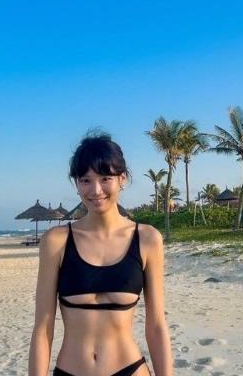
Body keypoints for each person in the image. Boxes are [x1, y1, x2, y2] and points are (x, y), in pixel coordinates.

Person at [29, 134, 173, 376]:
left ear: (122, 179)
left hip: (130, 369)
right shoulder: (56, 241)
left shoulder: (147, 239)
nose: (96, 190)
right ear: (76, 183)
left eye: (105, 178)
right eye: (86, 180)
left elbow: (156, 326)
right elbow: (43, 329)